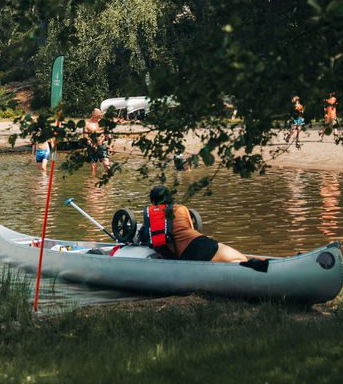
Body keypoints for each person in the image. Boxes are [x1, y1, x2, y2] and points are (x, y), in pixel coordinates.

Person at [139, 185, 268, 271]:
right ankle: (259, 268)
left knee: (226, 262)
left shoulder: (151, 218)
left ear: (152, 202)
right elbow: (192, 229)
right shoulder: (181, 209)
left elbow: (149, 237)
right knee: (241, 259)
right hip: (199, 244)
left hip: (185, 256)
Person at [84, 108, 111, 175]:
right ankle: (93, 181)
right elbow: (85, 135)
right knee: (93, 166)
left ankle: (110, 177)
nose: (99, 117)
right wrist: (90, 143)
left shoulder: (103, 123)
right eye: (98, 115)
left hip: (101, 145)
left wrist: (109, 145)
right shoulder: (87, 123)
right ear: (93, 114)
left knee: (106, 164)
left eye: (100, 115)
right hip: (91, 145)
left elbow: (108, 135)